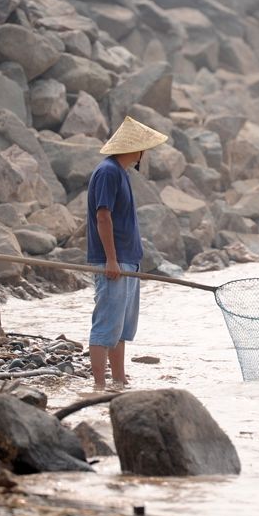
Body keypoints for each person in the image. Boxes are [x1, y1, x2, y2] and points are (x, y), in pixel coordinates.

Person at [86, 115, 168, 391]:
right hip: (115, 260)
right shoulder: (108, 172)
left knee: (120, 328)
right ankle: (98, 385)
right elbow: (103, 217)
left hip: (127, 260)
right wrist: (110, 259)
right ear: (137, 149)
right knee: (106, 324)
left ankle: (118, 379)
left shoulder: (120, 173)